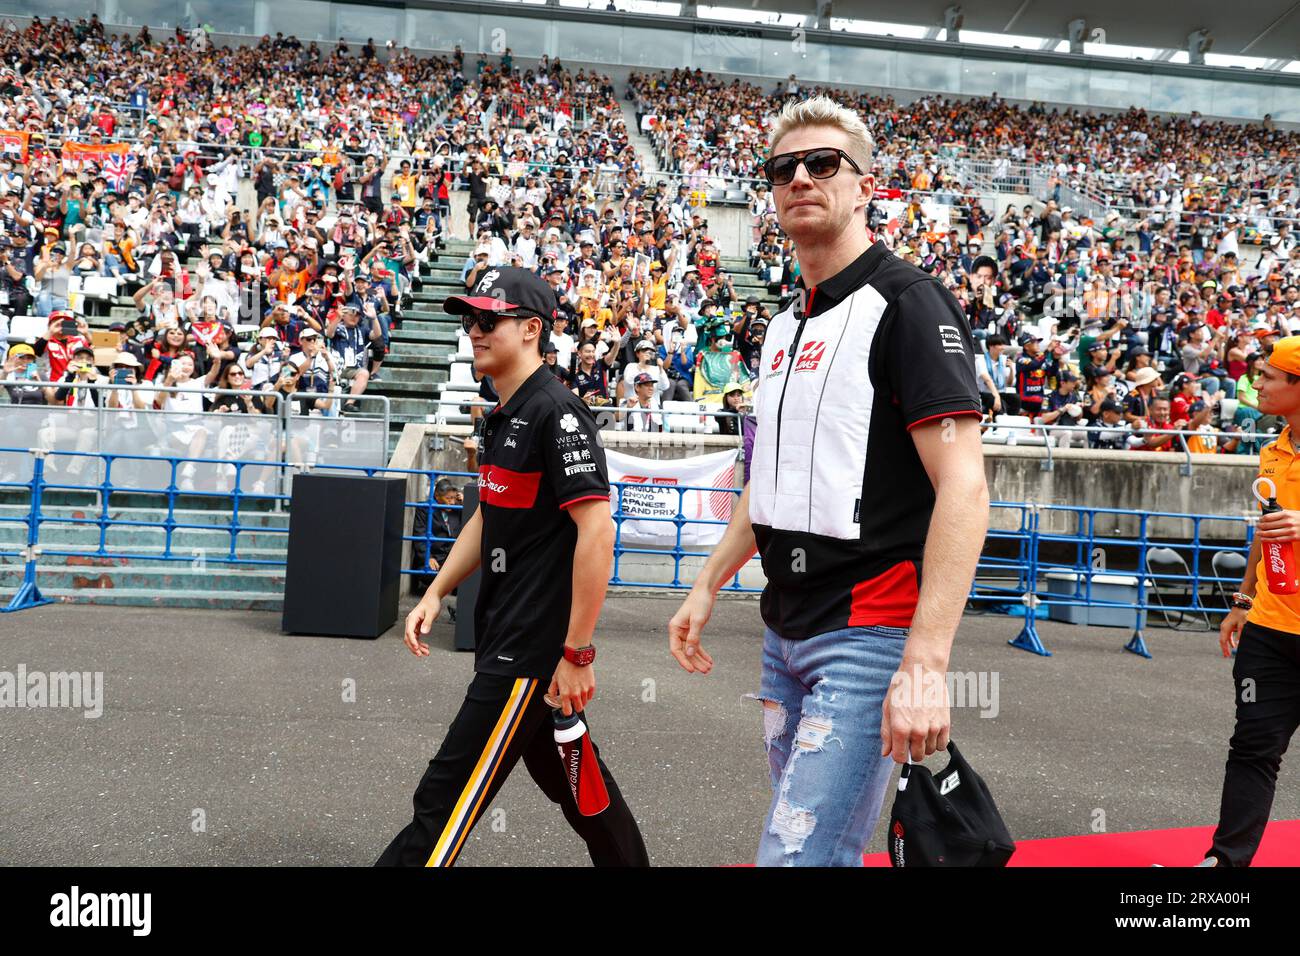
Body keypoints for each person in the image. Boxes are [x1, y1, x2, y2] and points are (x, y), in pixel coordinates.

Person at [667, 96, 989, 867]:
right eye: (784, 168)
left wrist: (925, 665)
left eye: (822, 164)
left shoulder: (909, 304)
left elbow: (965, 488)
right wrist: (710, 579)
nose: (801, 178)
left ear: (865, 185)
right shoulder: (784, 324)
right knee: (821, 850)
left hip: (869, 632)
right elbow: (769, 476)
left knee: (795, 854)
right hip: (784, 628)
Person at [377, 267, 648, 868]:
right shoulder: (503, 413)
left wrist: (576, 653)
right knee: (581, 789)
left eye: (486, 320)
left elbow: (597, 532)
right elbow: (488, 517)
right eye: (469, 320)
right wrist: (435, 590)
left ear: (531, 329)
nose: (472, 331)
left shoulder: (557, 412)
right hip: (512, 640)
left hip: (528, 653)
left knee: (444, 802)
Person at [1206, 334, 1300, 866]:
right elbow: (1266, 533)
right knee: (1252, 750)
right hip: (1270, 627)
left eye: (1268, 375)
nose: (1256, 383)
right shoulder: (1272, 449)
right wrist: (1242, 600)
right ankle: (1225, 861)